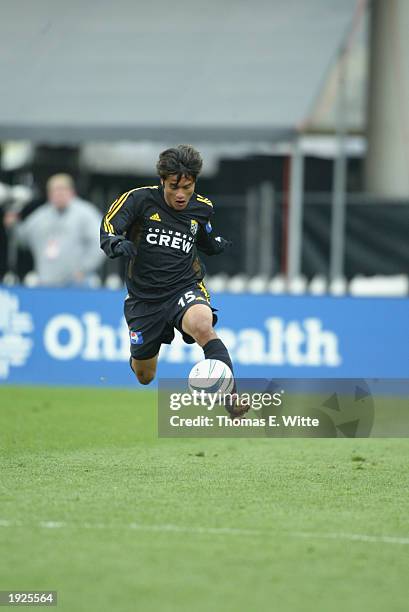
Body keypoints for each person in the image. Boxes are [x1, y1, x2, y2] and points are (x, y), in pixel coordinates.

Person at [100, 145, 247, 416]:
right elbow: (109, 227)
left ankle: (231, 398)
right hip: (144, 299)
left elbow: (203, 237)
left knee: (203, 325)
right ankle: (139, 357)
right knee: (145, 375)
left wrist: (214, 245)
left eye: (187, 188)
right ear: (162, 181)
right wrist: (116, 243)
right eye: (173, 187)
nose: (181, 195)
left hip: (184, 287)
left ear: (194, 183)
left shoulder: (202, 208)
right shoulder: (138, 200)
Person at [3, 173, 104, 286]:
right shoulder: (41, 215)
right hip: (46, 281)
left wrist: (84, 268)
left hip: (77, 282)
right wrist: (13, 226)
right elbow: (23, 240)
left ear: (72, 192)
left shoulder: (85, 213)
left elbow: (101, 242)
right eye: (54, 190)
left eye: (62, 189)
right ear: (49, 194)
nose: (59, 194)